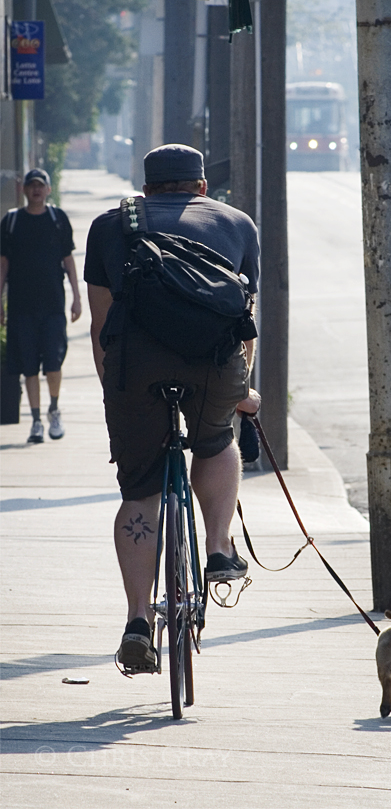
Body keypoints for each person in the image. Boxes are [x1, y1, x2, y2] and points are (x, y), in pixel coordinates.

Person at [84, 144, 261, 672]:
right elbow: (245, 321)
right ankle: (218, 550)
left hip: (135, 368)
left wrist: (112, 387)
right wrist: (241, 390)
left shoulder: (110, 226)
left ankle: (138, 621)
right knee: (215, 440)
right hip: (212, 364)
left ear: (146, 189)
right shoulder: (236, 224)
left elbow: (101, 325)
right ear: (201, 187)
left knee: (140, 490)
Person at [0, 168, 82, 443]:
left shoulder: (57, 219)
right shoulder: (12, 222)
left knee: (53, 363)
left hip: (53, 305)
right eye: (31, 185)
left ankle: (54, 409)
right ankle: (35, 421)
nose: (36, 189)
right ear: (24, 190)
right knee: (29, 367)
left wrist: (77, 297)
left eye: (40, 185)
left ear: (48, 189)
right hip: (22, 306)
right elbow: (3, 265)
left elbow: (68, 260)